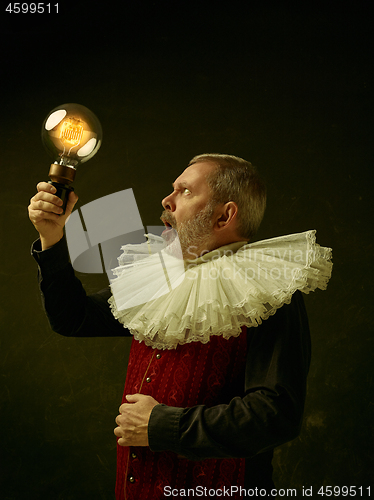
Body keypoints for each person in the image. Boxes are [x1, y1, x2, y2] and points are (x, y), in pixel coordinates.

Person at [28, 154, 331, 499]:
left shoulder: (271, 293)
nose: (166, 201)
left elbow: (275, 415)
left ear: (225, 215)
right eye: (172, 189)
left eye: (185, 191)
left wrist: (161, 426)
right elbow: (73, 317)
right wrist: (52, 237)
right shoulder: (158, 277)